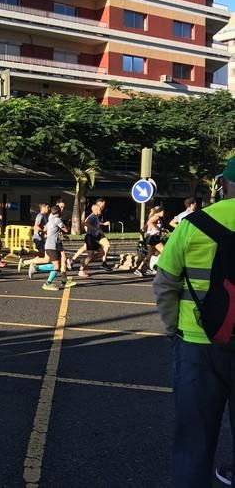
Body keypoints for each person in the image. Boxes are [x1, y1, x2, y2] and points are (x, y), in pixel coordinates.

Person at [153, 158, 235, 488]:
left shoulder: (194, 225)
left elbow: (164, 284)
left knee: (193, 442)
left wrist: (174, 329)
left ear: (225, 186)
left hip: (198, 347)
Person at [40, 205, 75, 291]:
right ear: (59, 213)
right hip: (53, 245)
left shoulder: (50, 220)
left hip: (51, 244)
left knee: (61, 261)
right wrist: (66, 226)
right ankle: (37, 269)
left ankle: (62, 280)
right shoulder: (57, 220)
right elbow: (66, 229)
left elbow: (44, 229)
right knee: (56, 266)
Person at [134, 206, 165, 277]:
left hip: (150, 238)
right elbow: (149, 223)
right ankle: (156, 267)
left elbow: (144, 228)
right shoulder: (156, 217)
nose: (164, 213)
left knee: (149, 256)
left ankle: (139, 269)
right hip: (154, 238)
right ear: (159, 212)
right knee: (165, 252)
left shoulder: (153, 217)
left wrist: (143, 231)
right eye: (163, 211)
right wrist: (157, 229)